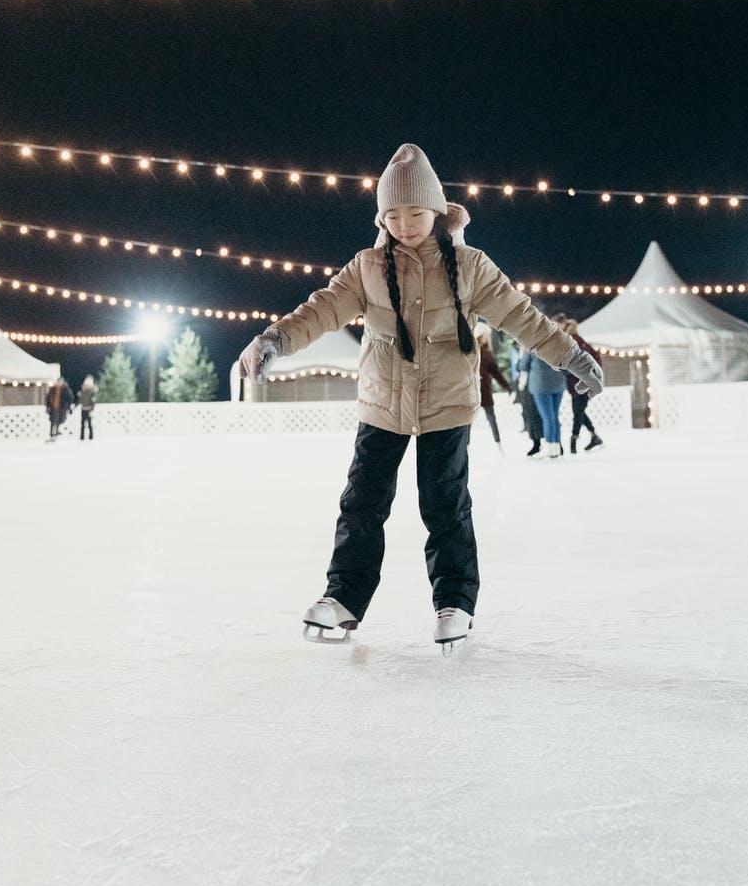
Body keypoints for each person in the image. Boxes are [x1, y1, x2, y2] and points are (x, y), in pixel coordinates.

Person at [239, 142, 603, 651]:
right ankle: (343, 598)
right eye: (393, 214)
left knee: (445, 504)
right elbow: (320, 309)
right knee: (362, 503)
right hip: (381, 404)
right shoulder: (367, 266)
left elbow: (522, 316)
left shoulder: (471, 266)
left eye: (414, 212)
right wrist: (274, 338)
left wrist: (572, 357)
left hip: (446, 405)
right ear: (382, 216)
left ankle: (454, 603)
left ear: (436, 210)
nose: (405, 224)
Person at [557, 316, 604, 453]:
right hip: (580, 383)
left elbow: (580, 362)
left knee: (578, 412)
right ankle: (594, 436)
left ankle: (574, 440)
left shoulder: (574, 342)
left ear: (563, 325)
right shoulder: (577, 340)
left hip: (582, 383)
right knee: (579, 411)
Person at [517, 344, 568, 459]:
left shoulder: (532, 344)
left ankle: (549, 447)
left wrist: (521, 356)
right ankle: (556, 447)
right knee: (554, 416)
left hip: (541, 385)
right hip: (558, 383)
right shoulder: (557, 343)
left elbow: (523, 366)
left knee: (547, 417)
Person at [476, 328, 511, 450]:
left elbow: (495, 372)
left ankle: (498, 443)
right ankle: (465, 446)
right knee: (467, 421)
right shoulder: (472, 351)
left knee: (491, 417)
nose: (486, 338)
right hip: (473, 390)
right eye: (485, 335)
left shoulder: (486, 353)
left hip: (483, 390)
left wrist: (506, 386)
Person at [513, 343, 544, 455]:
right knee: (539, 414)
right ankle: (547, 442)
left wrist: (520, 358)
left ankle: (537, 443)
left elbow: (521, 366)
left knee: (533, 414)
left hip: (530, 386)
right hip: (533, 384)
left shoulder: (528, 348)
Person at [77, 374, 98, 440]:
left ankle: (91, 436)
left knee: (89, 424)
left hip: (89, 409)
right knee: (82, 423)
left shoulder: (92, 392)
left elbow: (93, 401)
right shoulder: (83, 391)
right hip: (83, 408)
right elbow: (80, 400)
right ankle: (82, 436)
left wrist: (92, 409)